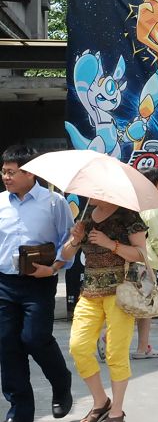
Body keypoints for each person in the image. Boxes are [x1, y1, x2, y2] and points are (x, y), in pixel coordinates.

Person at [0, 145, 75, 422]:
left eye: (11, 172)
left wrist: (54, 267)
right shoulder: (0, 202)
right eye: (3, 171)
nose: (5, 177)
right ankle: (19, 411)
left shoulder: (54, 202)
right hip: (4, 283)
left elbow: (69, 240)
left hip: (39, 281)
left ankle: (61, 383)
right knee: (7, 344)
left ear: (29, 173)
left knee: (35, 338)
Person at [62, 184, 150, 422]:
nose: (87, 194)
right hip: (90, 293)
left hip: (120, 293)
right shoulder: (86, 217)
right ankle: (101, 401)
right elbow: (66, 255)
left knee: (115, 353)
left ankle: (116, 411)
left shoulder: (127, 216)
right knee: (78, 347)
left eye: (92, 190)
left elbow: (142, 254)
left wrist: (110, 243)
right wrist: (74, 240)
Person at [131, 168, 158, 359]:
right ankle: (107, 337)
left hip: (131, 259)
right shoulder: (151, 206)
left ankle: (142, 347)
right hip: (146, 262)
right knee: (144, 306)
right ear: (154, 183)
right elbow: (156, 239)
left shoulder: (132, 203)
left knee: (138, 305)